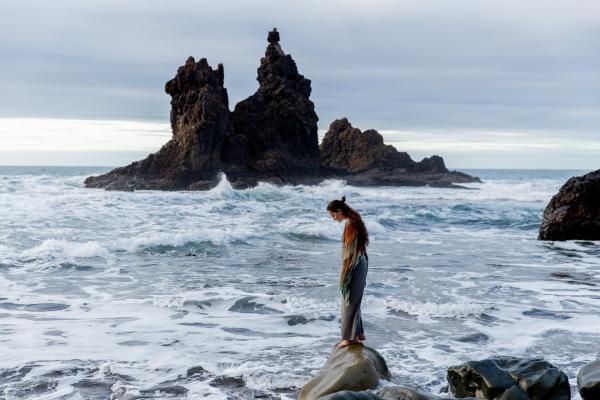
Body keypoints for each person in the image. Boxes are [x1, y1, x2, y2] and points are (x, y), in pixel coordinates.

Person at [327, 196, 369, 348]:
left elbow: (351, 253)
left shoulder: (351, 224)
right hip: (361, 262)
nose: (333, 219)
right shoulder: (354, 220)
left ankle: (350, 338)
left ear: (339, 211)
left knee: (349, 299)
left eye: (333, 215)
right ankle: (358, 333)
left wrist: (345, 274)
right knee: (353, 299)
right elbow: (361, 248)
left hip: (355, 265)